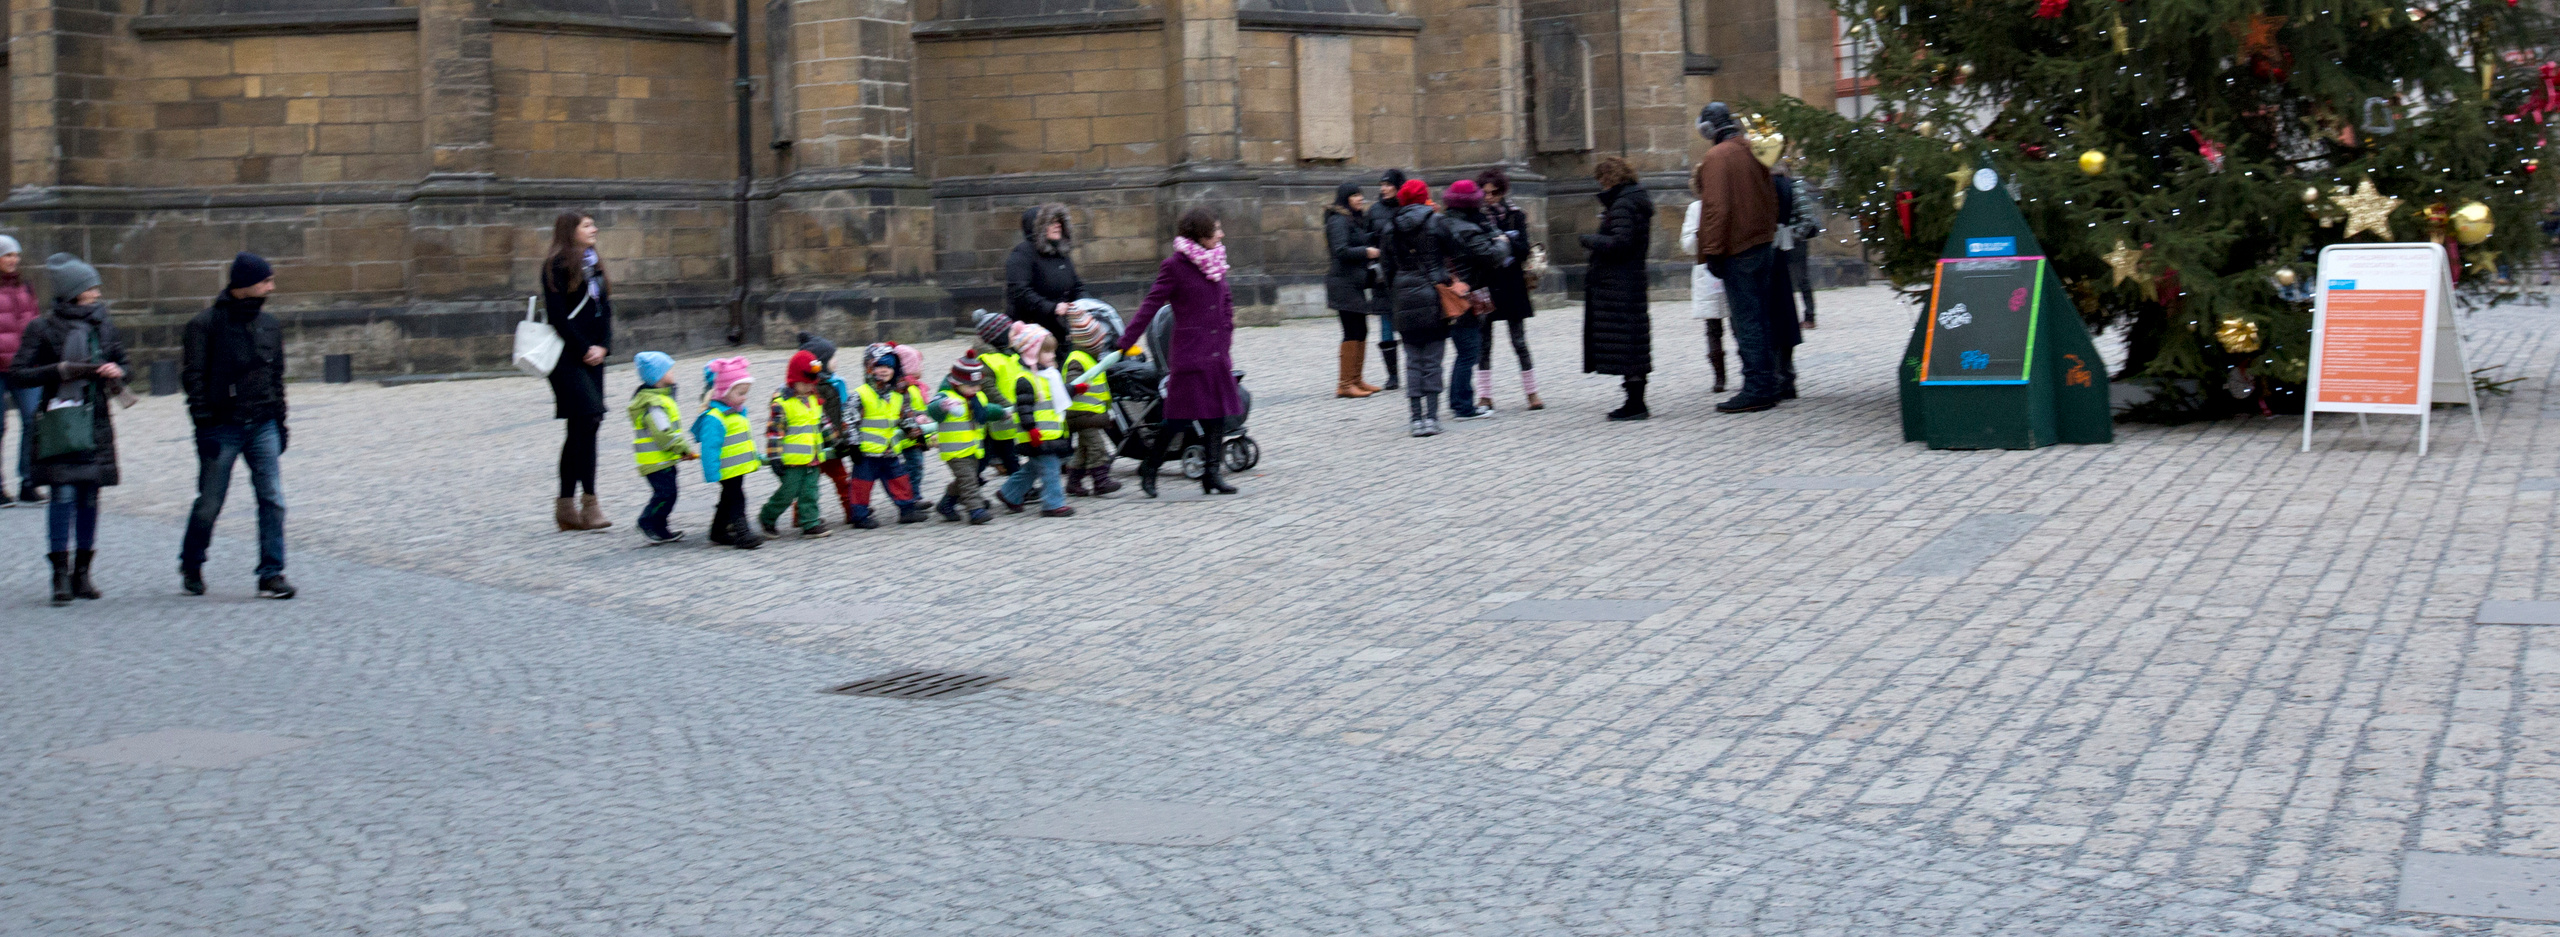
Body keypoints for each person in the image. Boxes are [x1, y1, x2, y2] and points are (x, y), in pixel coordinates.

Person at [12, 253, 128, 605]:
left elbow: (125, 365)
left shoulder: (103, 325)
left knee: (91, 496)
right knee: (62, 496)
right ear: (73, 291)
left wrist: (116, 372)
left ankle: (83, 573)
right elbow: (19, 373)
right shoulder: (42, 328)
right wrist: (58, 370)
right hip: (60, 421)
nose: (96, 292)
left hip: (94, 420)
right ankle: (59, 575)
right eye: (90, 287)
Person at [177, 252, 294, 598]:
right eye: (265, 281)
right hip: (222, 425)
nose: (272, 287)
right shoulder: (205, 325)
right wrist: (203, 425)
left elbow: (276, 376)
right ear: (244, 286)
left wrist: (281, 420)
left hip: (262, 422)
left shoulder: (269, 324)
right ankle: (192, 561)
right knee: (211, 501)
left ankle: (271, 572)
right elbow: (193, 379)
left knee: (272, 498)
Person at [1124, 206, 1245, 494]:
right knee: (1177, 418)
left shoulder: (1216, 261)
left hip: (1216, 354)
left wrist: (1226, 334)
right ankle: (1150, 468)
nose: (1221, 234)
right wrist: (1126, 340)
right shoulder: (1174, 266)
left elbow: (1225, 302)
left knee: (1216, 416)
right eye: (1216, 229)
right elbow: (1151, 305)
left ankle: (1211, 475)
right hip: (1190, 355)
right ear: (1200, 233)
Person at [1690, 102, 1784, 413]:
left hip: (1737, 249)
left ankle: (1757, 387)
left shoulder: (1717, 157)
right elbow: (1771, 197)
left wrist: (1713, 251)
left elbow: (1717, 208)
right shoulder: (1752, 148)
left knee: (1747, 321)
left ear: (1709, 128)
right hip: (1761, 244)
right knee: (1761, 317)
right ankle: (1769, 382)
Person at [542, 212, 614, 530]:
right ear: (571, 231)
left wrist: (604, 346)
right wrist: (585, 348)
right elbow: (558, 317)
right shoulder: (556, 264)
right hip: (568, 358)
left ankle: (569, 507)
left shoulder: (593, 262)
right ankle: (587, 502)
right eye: (587, 225)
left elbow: (605, 309)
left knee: (586, 426)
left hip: (595, 356)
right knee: (586, 418)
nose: (594, 229)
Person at [1579, 157, 1656, 421]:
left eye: (1601, 179)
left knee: (1627, 342)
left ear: (1609, 178)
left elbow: (1621, 242)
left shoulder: (1623, 203)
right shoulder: (1634, 200)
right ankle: (1634, 400)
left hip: (1619, 282)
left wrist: (1590, 240)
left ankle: (1635, 403)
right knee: (1631, 341)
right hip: (1628, 281)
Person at [1438, 179, 1509, 421]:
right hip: (1468, 294)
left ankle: (1458, 401)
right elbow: (1490, 256)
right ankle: (1462, 405)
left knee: (1462, 350)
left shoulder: (1441, 222)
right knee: (1469, 351)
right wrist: (1501, 241)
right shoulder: (1469, 228)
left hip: (1449, 292)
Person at [1474, 169, 1542, 411]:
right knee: (1484, 343)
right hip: (1487, 283)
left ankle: (1532, 392)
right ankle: (1484, 395)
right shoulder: (1477, 217)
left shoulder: (1515, 215)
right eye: (1486, 193)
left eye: (1494, 193)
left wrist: (1506, 240)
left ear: (1502, 192)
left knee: (1519, 341)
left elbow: (1524, 250)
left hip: (1512, 284)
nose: (1489, 197)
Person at [993, 324, 1075, 517]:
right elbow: (1024, 408)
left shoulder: (1048, 375)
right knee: (1051, 469)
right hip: (1037, 435)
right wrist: (1031, 429)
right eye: (1047, 352)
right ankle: (1053, 504)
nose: (1052, 355)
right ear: (1032, 353)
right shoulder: (1026, 379)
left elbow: (1056, 394)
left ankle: (1009, 494)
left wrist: (1074, 389)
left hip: (1049, 434)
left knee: (1034, 468)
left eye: (1053, 351)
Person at [758, 350, 838, 539]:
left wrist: (834, 440)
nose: (810, 386)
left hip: (813, 457)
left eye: (812, 383)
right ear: (793, 380)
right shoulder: (782, 403)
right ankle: (767, 517)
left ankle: (810, 523)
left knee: (810, 492)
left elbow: (823, 422)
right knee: (787, 494)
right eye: (805, 383)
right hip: (791, 461)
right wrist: (775, 456)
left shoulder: (814, 399)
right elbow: (775, 432)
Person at [845, 347, 927, 527]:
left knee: (900, 481)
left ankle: (907, 510)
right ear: (869, 368)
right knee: (861, 485)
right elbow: (850, 420)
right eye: (879, 366)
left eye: (889, 367)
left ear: (895, 370)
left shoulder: (898, 394)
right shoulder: (860, 394)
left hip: (890, 451)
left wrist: (917, 436)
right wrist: (853, 445)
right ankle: (859, 516)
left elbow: (906, 417)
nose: (884, 370)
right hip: (867, 453)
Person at [692, 356, 762, 550]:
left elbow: (744, 438)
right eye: (740, 393)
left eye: (745, 393)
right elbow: (709, 448)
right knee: (737, 498)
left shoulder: (738, 411)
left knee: (728, 498)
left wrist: (754, 456)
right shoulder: (714, 417)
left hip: (736, 466)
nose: (744, 397)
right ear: (724, 392)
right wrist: (712, 472)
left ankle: (718, 531)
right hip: (725, 468)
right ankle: (743, 533)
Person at [626, 351, 696, 544]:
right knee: (666, 494)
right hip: (655, 461)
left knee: (668, 494)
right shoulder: (654, 404)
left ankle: (661, 527)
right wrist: (682, 449)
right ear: (658, 376)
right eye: (669, 369)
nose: (673, 372)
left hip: (662, 459)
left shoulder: (661, 398)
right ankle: (647, 521)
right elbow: (663, 434)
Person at [927, 351, 1001, 525]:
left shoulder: (978, 397)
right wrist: (944, 406)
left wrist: (1002, 412)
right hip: (954, 451)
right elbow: (932, 408)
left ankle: (946, 503)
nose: (975, 389)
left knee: (965, 479)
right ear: (957, 383)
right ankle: (975, 510)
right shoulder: (947, 396)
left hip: (973, 449)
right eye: (970, 386)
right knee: (969, 480)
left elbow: (987, 410)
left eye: (978, 385)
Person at [1324, 180, 1380, 398]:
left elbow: (1355, 241)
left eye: (1361, 195)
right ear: (1346, 198)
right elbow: (1340, 250)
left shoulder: (1351, 220)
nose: (1360, 199)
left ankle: (1357, 379)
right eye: (1356, 195)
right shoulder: (1337, 220)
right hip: (1342, 283)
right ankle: (1345, 384)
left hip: (1353, 283)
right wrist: (1367, 252)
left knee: (1361, 330)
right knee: (1351, 330)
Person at [1006, 203, 1084, 353]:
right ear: (1038, 226)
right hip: (1032, 336)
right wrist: (1052, 308)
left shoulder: (1060, 252)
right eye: (1051, 222)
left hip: (1061, 332)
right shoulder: (1022, 254)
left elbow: (1077, 286)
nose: (1057, 226)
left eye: (1058, 222)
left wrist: (1083, 303)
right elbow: (1020, 292)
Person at [1060, 307, 1122, 496]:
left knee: (1084, 450)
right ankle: (1101, 481)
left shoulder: (1090, 359)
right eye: (1099, 342)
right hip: (1081, 414)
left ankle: (1073, 482)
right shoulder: (1078, 359)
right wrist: (1077, 385)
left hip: (1089, 413)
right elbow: (1072, 382)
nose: (1102, 345)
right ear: (1089, 343)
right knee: (1097, 447)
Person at [0, 237, 40, 505]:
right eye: (7, 255)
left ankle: (29, 481)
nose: (13, 260)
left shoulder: (26, 287)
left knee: (33, 421)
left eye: (16, 255)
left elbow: (35, 323)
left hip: (25, 366)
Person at [1679, 190, 1731, 393]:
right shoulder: (1695, 209)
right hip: (1706, 270)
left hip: (1731, 267)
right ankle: (1719, 377)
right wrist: (1700, 233)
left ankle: (1749, 371)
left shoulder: (1731, 203)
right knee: (1713, 326)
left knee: (1739, 324)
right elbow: (1687, 245)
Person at [1364, 170, 1408, 391]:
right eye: (1381, 185)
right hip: (1383, 276)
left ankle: (1414, 369)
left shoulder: (1406, 207)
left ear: (1398, 186)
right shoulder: (1375, 211)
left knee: (1409, 324)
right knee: (1386, 325)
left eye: (1388, 184)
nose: (1383, 188)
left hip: (1405, 273)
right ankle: (1393, 376)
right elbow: (1368, 237)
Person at [970, 309, 1026, 476]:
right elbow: (988, 387)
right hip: (996, 415)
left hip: (1008, 415)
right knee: (988, 457)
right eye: (1010, 332)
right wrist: (1005, 405)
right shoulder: (987, 360)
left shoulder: (1009, 355)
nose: (1013, 335)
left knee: (1008, 454)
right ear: (999, 336)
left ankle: (1017, 490)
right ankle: (959, 492)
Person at [1778, 160, 1823, 329]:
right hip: (1779, 241)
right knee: (1783, 282)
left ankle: (1809, 316)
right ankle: (1788, 318)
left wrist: (1793, 236)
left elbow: (1807, 218)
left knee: (1801, 279)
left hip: (1795, 242)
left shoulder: (1796, 188)